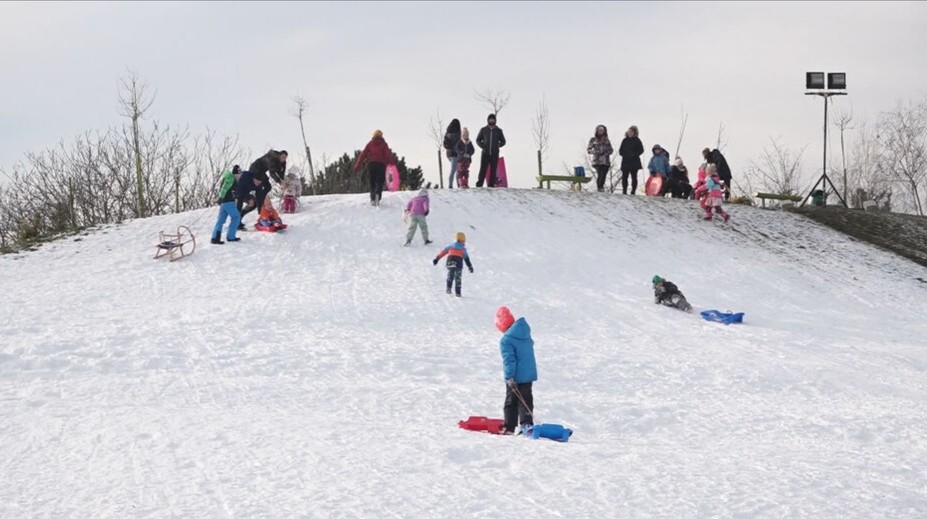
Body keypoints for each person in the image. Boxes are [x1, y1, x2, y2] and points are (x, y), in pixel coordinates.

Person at [496, 306, 537, 435]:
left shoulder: (506, 340)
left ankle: (509, 426)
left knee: (511, 401)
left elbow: (509, 360)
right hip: (528, 374)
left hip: (516, 376)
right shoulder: (524, 334)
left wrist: (509, 376)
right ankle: (526, 424)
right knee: (526, 399)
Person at [354, 129, 395, 207]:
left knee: (372, 182)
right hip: (381, 165)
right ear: (381, 136)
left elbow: (363, 154)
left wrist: (358, 165)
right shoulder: (383, 144)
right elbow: (388, 155)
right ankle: (377, 195)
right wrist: (392, 165)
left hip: (372, 165)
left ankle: (372, 198)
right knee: (379, 182)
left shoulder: (370, 144)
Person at [432, 231, 473, 297]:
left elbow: (443, 252)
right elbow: (466, 258)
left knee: (450, 274)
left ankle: (448, 288)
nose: (464, 241)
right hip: (458, 263)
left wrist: (437, 259)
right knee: (458, 277)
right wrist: (470, 266)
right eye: (464, 240)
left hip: (450, 261)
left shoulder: (451, 245)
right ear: (461, 240)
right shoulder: (463, 249)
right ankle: (458, 292)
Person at [249, 149, 288, 215]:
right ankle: (259, 203)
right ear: (279, 155)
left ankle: (262, 200)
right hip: (255, 168)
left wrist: (283, 181)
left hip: (262, 171)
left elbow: (281, 173)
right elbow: (272, 173)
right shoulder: (272, 158)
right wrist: (280, 182)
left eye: (285, 158)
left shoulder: (283, 162)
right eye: (282, 157)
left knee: (268, 187)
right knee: (263, 186)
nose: (283, 159)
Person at [211, 168, 242, 245]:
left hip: (224, 202)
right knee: (236, 217)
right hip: (228, 202)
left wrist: (221, 198)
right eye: (238, 175)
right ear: (235, 174)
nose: (239, 177)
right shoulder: (231, 179)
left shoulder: (230, 178)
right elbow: (224, 188)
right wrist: (220, 197)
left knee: (221, 219)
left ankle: (215, 238)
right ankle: (231, 236)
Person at [476, 114, 506, 187]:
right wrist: (482, 146)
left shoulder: (499, 131)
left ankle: (491, 184)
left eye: (493, 119)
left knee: (493, 170)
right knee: (483, 169)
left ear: (495, 120)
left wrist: (498, 145)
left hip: (494, 153)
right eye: (490, 119)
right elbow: (478, 140)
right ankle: (480, 184)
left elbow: (503, 141)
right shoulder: (483, 130)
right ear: (488, 120)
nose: (491, 121)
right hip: (485, 153)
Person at [586, 125, 614, 192]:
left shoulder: (607, 140)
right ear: (597, 131)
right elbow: (588, 150)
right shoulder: (593, 139)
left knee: (604, 174)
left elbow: (611, 150)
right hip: (597, 161)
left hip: (606, 161)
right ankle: (599, 187)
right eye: (599, 130)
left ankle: (601, 187)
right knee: (600, 174)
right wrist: (595, 152)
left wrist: (606, 153)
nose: (601, 132)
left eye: (602, 130)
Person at [618, 125, 644, 195]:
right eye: (629, 132)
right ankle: (624, 191)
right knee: (624, 177)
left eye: (631, 132)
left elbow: (641, 150)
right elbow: (620, 150)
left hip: (634, 162)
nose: (629, 133)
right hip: (625, 161)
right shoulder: (624, 140)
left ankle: (633, 191)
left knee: (634, 177)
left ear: (634, 133)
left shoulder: (637, 140)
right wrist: (623, 154)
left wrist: (634, 154)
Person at [443, 119, 462, 189]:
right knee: (455, 169)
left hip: (449, 154)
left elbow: (445, 144)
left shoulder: (447, 133)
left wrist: (449, 148)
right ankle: (452, 185)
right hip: (455, 154)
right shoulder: (458, 133)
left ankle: (457, 184)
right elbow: (459, 143)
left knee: (455, 169)